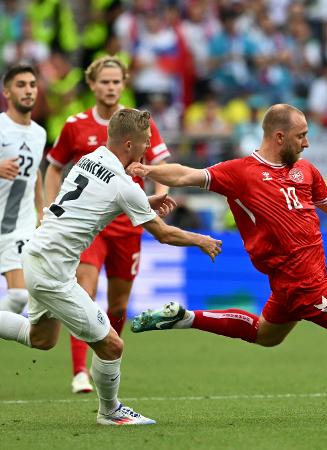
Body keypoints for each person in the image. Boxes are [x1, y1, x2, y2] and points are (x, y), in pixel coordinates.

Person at [127, 104, 327, 410]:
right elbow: (186, 175)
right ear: (279, 136)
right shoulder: (241, 172)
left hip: (291, 285)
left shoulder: (305, 171)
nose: (307, 143)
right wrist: (148, 169)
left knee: (266, 335)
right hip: (306, 287)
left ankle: (185, 317)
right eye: (301, 136)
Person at [0, 108, 222, 425]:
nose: (148, 148)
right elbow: (163, 233)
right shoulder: (124, 183)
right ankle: (110, 411)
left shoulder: (90, 158)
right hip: (51, 270)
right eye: (145, 142)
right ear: (129, 144)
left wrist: (145, 203)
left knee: (42, 339)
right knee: (112, 345)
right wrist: (201, 240)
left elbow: (96, 203)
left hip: (39, 256)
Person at [44, 55, 171, 394]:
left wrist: (159, 193)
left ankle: (107, 364)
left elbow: (160, 164)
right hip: (90, 226)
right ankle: (78, 371)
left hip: (128, 226)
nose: (111, 87)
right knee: (84, 292)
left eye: (117, 81)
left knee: (117, 305)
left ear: (124, 83)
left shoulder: (138, 122)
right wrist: (51, 206)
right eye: (105, 81)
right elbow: (54, 167)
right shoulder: (75, 124)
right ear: (92, 85)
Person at [0, 64, 45, 313]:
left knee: (18, 297)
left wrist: (41, 210)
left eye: (32, 85)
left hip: (18, 227)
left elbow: (36, 172)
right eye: (20, 85)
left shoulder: (39, 133)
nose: (28, 90)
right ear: (6, 92)